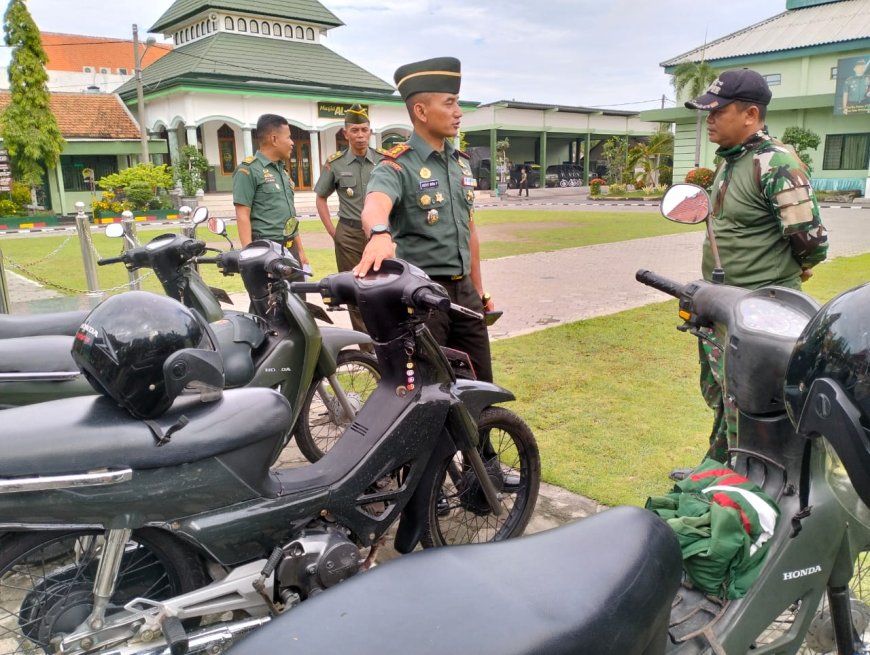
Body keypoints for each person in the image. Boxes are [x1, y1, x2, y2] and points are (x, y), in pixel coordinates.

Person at [683, 67, 828, 464]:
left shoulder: (776, 162)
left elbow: (811, 239)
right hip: (722, 305)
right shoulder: (731, 160)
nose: (709, 119)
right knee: (721, 398)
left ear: (750, 114)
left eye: (718, 111)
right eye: (707, 111)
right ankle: (716, 468)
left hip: (759, 314)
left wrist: (794, 271)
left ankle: (746, 482)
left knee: (748, 406)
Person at [353, 56, 495, 382]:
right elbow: (375, 204)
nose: (458, 112)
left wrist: (479, 289)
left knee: (481, 386)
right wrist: (378, 233)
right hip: (423, 298)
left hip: (466, 296)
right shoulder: (397, 165)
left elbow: (469, 229)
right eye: (450, 103)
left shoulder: (460, 163)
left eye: (458, 103)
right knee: (429, 393)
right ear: (421, 111)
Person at [314, 104, 383, 335]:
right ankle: (367, 349)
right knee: (356, 293)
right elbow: (320, 198)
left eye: (364, 130)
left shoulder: (384, 161)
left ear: (370, 131)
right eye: (355, 130)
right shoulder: (335, 163)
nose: (360, 135)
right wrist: (334, 233)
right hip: (349, 236)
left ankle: (386, 341)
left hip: (380, 234)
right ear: (345, 133)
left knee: (385, 287)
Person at [233, 114, 308, 280]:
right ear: (274, 139)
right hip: (266, 252)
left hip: (290, 250)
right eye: (288, 137)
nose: (292, 142)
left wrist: (300, 252)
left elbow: (290, 217)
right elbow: (242, 214)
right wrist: (249, 257)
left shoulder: (283, 171)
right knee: (270, 303)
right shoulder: (249, 170)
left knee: (298, 303)